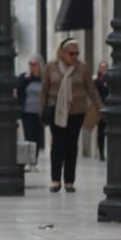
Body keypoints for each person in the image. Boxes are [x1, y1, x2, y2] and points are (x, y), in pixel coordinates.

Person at [42, 38, 100, 193]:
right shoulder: (51, 68)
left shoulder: (82, 69)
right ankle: (55, 180)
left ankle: (69, 181)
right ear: (62, 53)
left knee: (71, 146)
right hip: (56, 111)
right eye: (71, 53)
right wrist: (41, 111)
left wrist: (100, 108)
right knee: (57, 145)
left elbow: (92, 90)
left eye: (77, 53)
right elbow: (44, 91)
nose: (74, 56)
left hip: (76, 112)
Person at [14, 56, 46, 156]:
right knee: (29, 136)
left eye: (34, 64)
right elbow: (17, 90)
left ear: (39, 66)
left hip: (40, 112)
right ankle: (28, 159)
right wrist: (26, 79)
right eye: (30, 64)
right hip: (27, 112)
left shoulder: (44, 79)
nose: (31, 67)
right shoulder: (24, 77)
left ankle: (34, 160)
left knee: (37, 137)